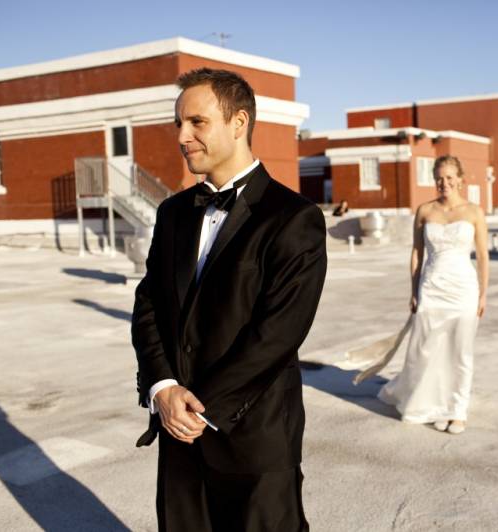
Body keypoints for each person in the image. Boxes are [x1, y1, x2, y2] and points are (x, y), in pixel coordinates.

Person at [131, 68, 327, 531]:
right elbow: (149, 305)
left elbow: (278, 334)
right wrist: (163, 389)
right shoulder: (173, 212)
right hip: (178, 431)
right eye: (179, 122)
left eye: (197, 122)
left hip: (254, 437)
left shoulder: (294, 218)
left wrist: (204, 405)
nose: (182, 135)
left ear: (239, 123)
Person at [378, 155, 488, 435]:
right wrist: (414, 291)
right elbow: (417, 253)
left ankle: (458, 410)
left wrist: (483, 293)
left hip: (464, 288)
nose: (444, 183)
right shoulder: (425, 210)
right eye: (439, 177)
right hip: (432, 288)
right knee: (427, 350)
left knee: (460, 352)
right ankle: (437, 407)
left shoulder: (474, 212)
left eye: (450, 177)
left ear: (461, 179)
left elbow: (484, 257)